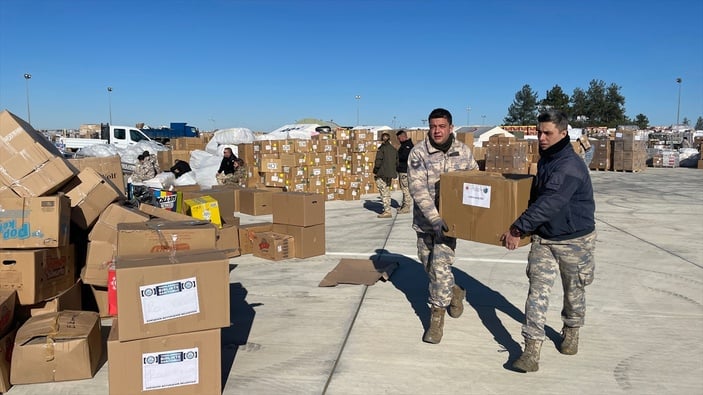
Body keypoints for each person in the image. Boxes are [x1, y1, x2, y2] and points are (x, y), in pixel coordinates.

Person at [501, 110, 596, 373]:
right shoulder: (547, 159)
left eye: (547, 133)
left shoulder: (569, 165)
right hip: (545, 239)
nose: (541, 138)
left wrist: (518, 227)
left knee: (574, 290)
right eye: (538, 132)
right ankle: (531, 350)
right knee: (537, 292)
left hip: (574, 240)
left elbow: (550, 202)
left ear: (563, 134)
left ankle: (572, 330)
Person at [408, 108, 478, 344]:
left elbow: (476, 181)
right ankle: (455, 290)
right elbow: (417, 189)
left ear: (451, 127)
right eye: (433, 126)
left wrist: (473, 217)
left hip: (451, 224)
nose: (436, 131)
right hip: (426, 222)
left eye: (441, 126)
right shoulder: (418, 153)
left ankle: (435, 321)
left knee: (439, 268)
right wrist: (434, 219)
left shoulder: (464, 152)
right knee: (428, 266)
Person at [373, 132, 398, 218]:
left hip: (382, 173)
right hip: (390, 173)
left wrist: (375, 171)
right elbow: (396, 162)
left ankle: (387, 211)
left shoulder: (381, 149)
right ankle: (387, 209)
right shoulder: (393, 149)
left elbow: (378, 161)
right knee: (387, 191)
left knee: (383, 191)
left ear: (382, 139)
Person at [396, 130, 414, 214]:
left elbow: (405, 156)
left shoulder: (408, 146)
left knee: (405, 189)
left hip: (405, 170)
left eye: (399, 138)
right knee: (403, 189)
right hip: (402, 169)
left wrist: (397, 156)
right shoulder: (404, 145)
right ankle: (404, 205)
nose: (399, 140)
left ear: (403, 137)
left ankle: (406, 207)